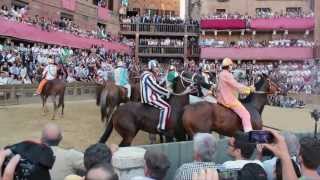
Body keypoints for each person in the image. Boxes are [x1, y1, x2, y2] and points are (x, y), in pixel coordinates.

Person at [216, 57, 255, 133]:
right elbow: (236, 85)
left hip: (220, 99)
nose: (232, 67)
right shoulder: (228, 75)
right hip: (228, 100)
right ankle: (248, 134)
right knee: (246, 115)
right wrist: (249, 88)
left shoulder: (221, 74)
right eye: (231, 65)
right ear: (228, 66)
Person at [140, 60, 171, 133]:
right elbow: (155, 87)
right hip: (149, 98)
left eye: (157, 67)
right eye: (155, 67)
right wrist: (167, 92)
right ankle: (161, 127)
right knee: (166, 107)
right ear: (151, 67)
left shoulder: (149, 74)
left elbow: (158, 83)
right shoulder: (148, 75)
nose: (157, 68)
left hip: (152, 95)